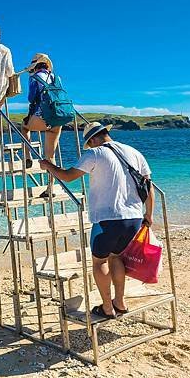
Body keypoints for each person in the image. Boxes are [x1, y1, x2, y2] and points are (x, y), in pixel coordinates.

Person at [38, 122, 154, 319]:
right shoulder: (133, 152)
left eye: (89, 144)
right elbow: (148, 185)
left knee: (100, 261)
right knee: (117, 257)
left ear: (92, 140)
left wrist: (48, 166)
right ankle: (120, 302)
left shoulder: (96, 153)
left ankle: (107, 308)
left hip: (107, 219)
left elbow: (67, 176)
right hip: (133, 217)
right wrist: (149, 214)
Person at [21, 53, 62, 167]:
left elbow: (31, 98)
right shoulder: (56, 77)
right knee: (50, 157)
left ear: (35, 66)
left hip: (42, 117)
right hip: (58, 117)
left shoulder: (34, 78)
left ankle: (28, 156)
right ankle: (51, 185)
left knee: (24, 127)